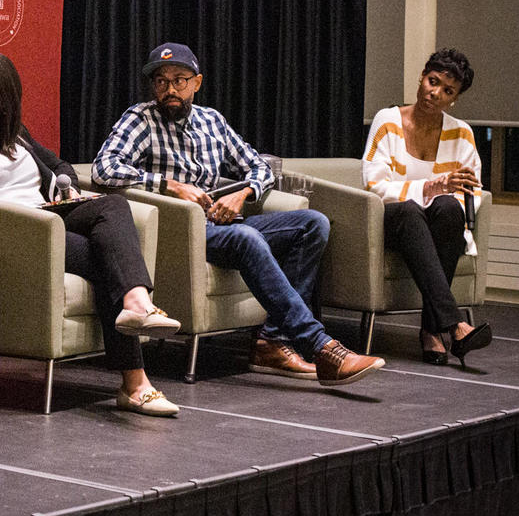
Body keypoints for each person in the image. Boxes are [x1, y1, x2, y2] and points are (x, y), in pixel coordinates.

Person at [92, 42, 385, 387]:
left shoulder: (212, 121)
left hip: (220, 221)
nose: (169, 89)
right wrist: (170, 185)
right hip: (180, 229)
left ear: (197, 83)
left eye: (179, 80)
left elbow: (260, 167)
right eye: (161, 81)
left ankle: (272, 343)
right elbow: (103, 169)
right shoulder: (141, 119)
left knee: (312, 223)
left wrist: (242, 194)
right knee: (246, 237)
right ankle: (321, 347)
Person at [0, 52, 184, 417]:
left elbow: (60, 165)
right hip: (19, 231)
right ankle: (135, 380)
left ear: (8, 96)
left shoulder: (18, 136)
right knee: (105, 259)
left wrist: (64, 184)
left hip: (49, 216)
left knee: (113, 206)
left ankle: (136, 305)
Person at [363, 48, 491, 365]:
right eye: (432, 81)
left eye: (447, 90)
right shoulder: (388, 120)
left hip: (437, 227)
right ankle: (454, 324)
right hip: (389, 223)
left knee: (449, 209)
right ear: (422, 76)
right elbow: (374, 187)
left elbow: (469, 194)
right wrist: (430, 187)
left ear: (454, 99)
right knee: (409, 209)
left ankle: (432, 332)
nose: (435, 93)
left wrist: (441, 195)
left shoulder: (462, 134)